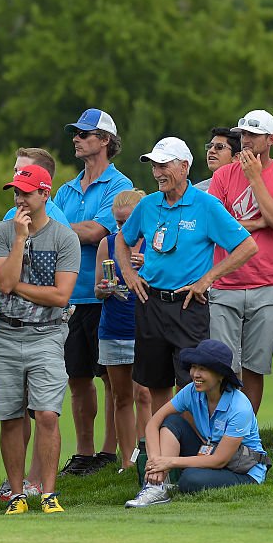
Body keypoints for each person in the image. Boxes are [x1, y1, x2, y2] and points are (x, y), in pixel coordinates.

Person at [117, 137, 257, 413]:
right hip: (150, 303)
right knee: (155, 383)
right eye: (154, 166)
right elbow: (123, 240)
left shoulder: (206, 205)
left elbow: (247, 246)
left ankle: (189, 447)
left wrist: (207, 280)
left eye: (163, 165)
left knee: (191, 383)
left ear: (184, 167)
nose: (157, 173)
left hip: (188, 305)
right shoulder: (147, 205)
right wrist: (128, 274)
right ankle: (160, 448)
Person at [0, 165, 79, 515]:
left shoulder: (64, 237)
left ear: (45, 194)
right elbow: (1, 282)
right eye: (16, 192)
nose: (20, 199)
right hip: (4, 333)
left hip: (47, 334)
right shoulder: (1, 232)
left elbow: (61, 296)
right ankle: (16, 495)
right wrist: (20, 239)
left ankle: (47, 492)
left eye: (27, 192)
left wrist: (15, 287)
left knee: (46, 414)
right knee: (11, 416)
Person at [55, 108, 133, 476]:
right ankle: (84, 452)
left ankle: (107, 451)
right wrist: (68, 229)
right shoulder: (66, 190)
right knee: (78, 376)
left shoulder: (121, 186)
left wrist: (56, 227)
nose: (77, 138)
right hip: (71, 297)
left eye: (84, 134)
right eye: (76, 133)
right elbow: (77, 231)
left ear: (104, 140)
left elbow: (96, 233)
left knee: (112, 378)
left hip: (107, 296)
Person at [208, 109, 273, 413]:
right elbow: (219, 227)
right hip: (225, 283)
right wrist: (260, 222)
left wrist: (255, 179)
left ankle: (245, 433)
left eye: (253, 135)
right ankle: (222, 432)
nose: (245, 141)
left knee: (255, 367)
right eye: (243, 134)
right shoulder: (222, 175)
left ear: (270, 139)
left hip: (267, 285)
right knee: (224, 366)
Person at [124, 339, 269, 508]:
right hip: (210, 452)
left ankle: (164, 484)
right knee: (172, 422)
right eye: (194, 367)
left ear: (221, 375)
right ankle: (156, 487)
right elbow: (153, 423)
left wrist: (169, 462)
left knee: (190, 480)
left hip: (243, 469)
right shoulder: (191, 391)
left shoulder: (239, 406)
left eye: (203, 369)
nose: (195, 374)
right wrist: (157, 461)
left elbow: (219, 461)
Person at [95, 189, 150, 473]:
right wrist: (104, 289)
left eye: (127, 222)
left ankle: (148, 453)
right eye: (117, 223)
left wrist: (148, 266)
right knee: (121, 396)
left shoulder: (154, 242)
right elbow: (97, 288)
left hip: (144, 327)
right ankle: (127, 460)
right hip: (113, 328)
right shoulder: (109, 244)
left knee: (144, 393)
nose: (122, 229)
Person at [2, 148, 70, 227]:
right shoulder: (12, 214)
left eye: (24, 171)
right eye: (16, 170)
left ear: (44, 175)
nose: (16, 176)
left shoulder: (57, 224)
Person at [194, 127, 241, 192]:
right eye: (209, 146)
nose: (211, 150)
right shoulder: (197, 191)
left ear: (236, 157)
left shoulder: (247, 189)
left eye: (219, 147)